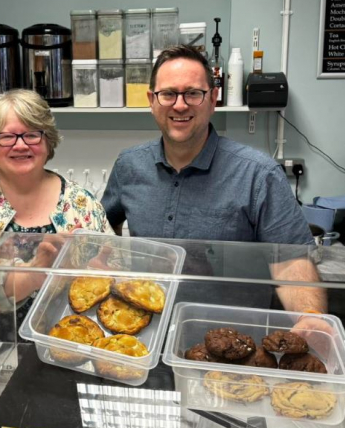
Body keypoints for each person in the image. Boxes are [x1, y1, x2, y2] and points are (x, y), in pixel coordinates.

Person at [102, 45, 328, 327]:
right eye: (168, 94)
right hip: (145, 341)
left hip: (232, 348)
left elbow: (292, 262)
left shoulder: (258, 174)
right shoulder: (128, 166)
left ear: (212, 99)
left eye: (193, 93)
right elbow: (99, 232)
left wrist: (311, 319)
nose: (180, 105)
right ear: (152, 100)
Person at [0, 89, 112, 340]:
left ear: (48, 141)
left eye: (32, 135)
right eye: (7, 137)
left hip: (59, 345)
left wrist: (100, 276)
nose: (21, 145)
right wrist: (29, 276)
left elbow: (114, 269)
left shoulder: (81, 203)